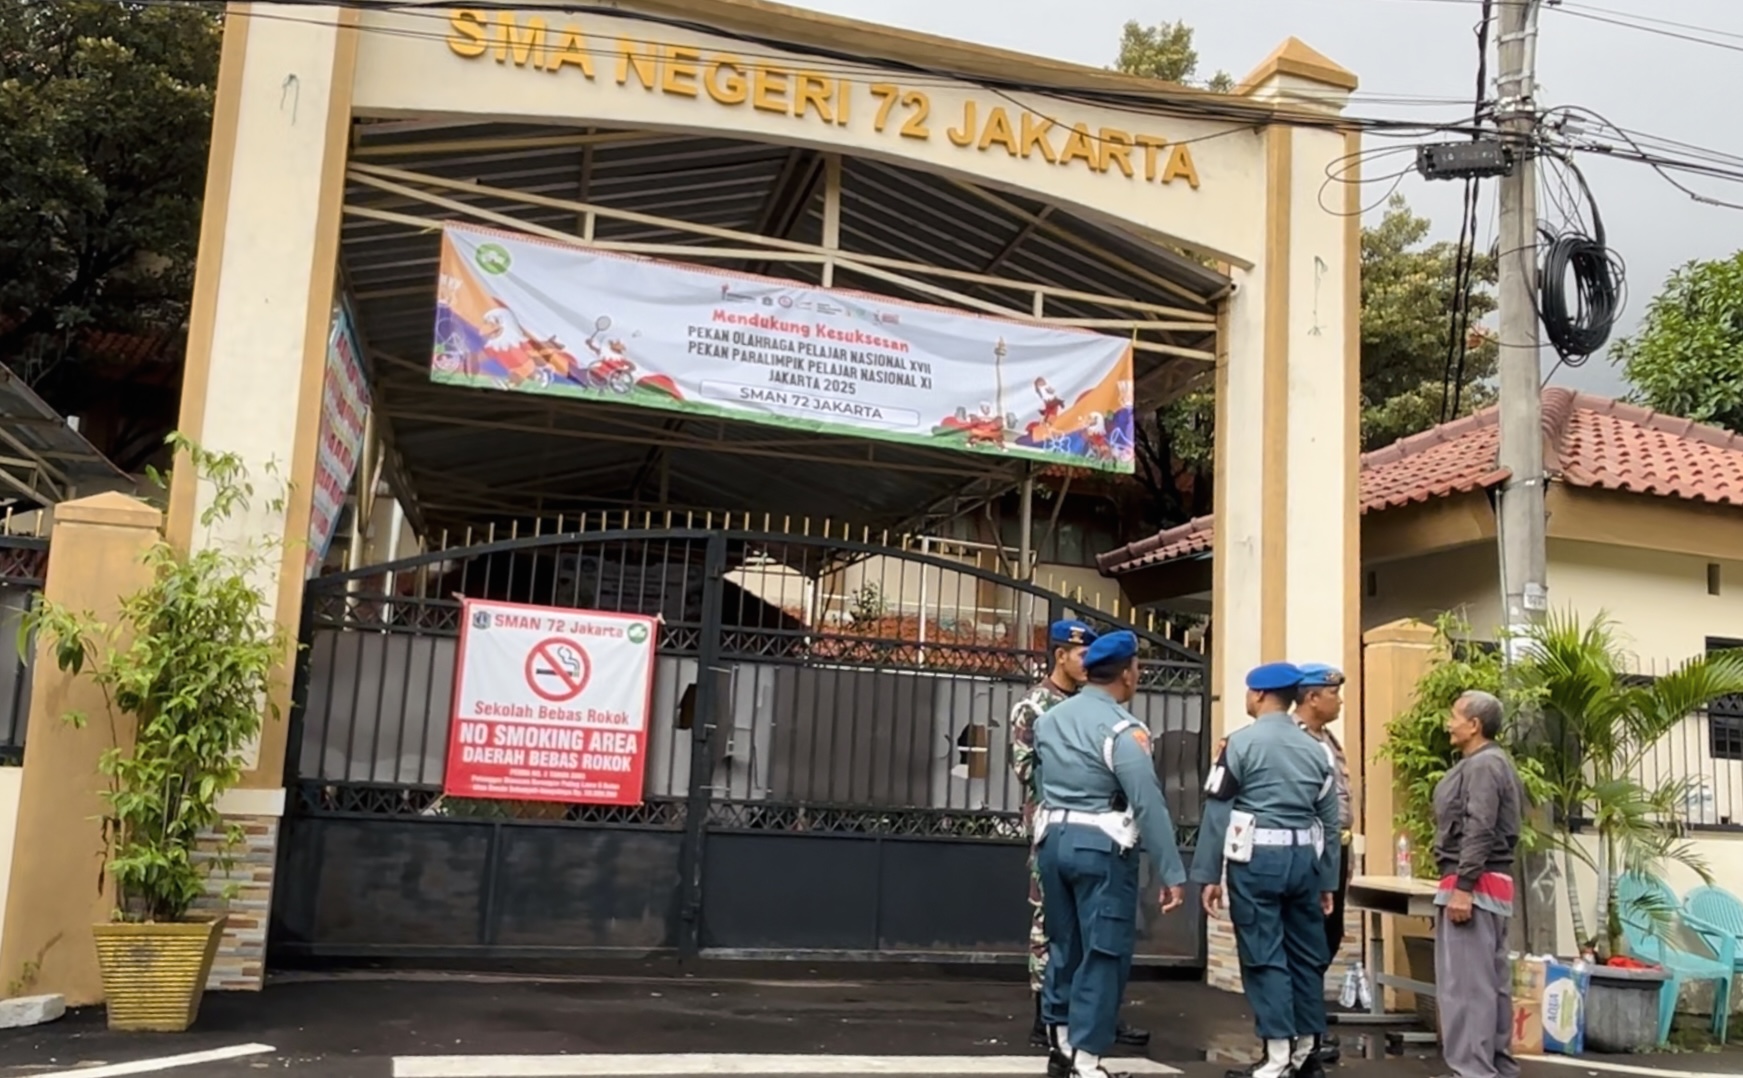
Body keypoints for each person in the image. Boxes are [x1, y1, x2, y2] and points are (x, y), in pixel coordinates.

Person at [1033, 630, 1188, 1078]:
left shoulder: (1050, 720)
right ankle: (1087, 1060)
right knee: (1104, 952)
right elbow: (1147, 801)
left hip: (1053, 840)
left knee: (1064, 947)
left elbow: (1041, 783)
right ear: (1126, 673)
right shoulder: (1124, 729)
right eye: (1137, 668)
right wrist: (1171, 869)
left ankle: (1061, 1045)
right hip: (1100, 847)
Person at [1191, 662, 1341, 1078]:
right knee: (1305, 956)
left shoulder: (1239, 745)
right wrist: (1327, 879)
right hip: (1304, 864)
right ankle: (1306, 1051)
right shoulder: (1318, 750)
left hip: (1256, 861)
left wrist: (1207, 875)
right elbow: (1329, 821)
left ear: (1257, 696)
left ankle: (1276, 1057)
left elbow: (1218, 814)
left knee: (1263, 955)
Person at [1011, 620, 1105, 1048]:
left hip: (1092, 827)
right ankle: (1043, 1015)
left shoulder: (1091, 703)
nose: (1087, 662)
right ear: (1060, 654)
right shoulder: (1033, 706)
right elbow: (1026, 768)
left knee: (1091, 924)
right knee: (1047, 921)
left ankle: (1089, 1012)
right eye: (1081, 654)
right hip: (1050, 828)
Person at [1432, 690, 1524, 1078]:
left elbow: (1480, 827)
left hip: (1475, 883)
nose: (1449, 723)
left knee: (1467, 988)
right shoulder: (1492, 762)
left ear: (1474, 725)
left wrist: (1464, 887)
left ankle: (1473, 1070)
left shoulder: (1483, 766)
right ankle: (1494, 1067)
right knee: (1490, 985)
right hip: (1490, 883)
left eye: (1455, 716)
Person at [1295, 663, 1353, 1070]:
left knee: (1329, 936)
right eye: (1333, 692)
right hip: (1311, 851)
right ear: (1312, 697)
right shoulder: (1297, 740)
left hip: (1337, 849)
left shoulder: (1327, 737)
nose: (1340, 700)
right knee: (1310, 940)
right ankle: (1306, 1030)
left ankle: (1309, 1026)